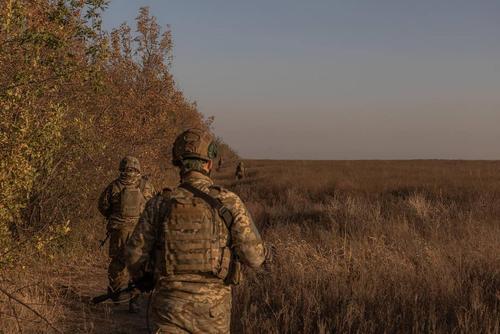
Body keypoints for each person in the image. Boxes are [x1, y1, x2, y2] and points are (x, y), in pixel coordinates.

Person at [125, 128, 266, 333]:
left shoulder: (159, 204)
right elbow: (254, 257)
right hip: (212, 314)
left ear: (179, 165)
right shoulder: (229, 202)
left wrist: (144, 279)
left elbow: (133, 254)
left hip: (168, 309)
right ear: (209, 164)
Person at [98, 156, 155, 313]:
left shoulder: (114, 186)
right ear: (138, 168)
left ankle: (116, 294)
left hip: (119, 232)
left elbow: (102, 205)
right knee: (138, 265)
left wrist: (114, 216)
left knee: (117, 263)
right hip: (140, 232)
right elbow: (153, 207)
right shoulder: (146, 186)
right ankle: (134, 301)